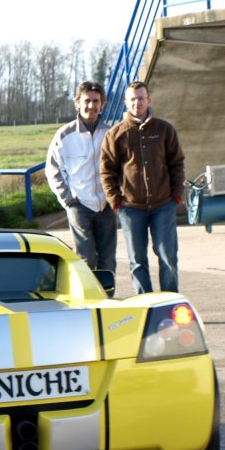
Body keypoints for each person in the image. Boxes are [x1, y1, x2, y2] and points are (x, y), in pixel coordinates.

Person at [99, 81, 185, 294]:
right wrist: (116, 201)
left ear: (149, 100)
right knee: (137, 260)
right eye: (133, 99)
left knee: (168, 256)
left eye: (141, 98)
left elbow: (176, 163)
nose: (137, 103)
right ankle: (145, 304)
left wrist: (176, 195)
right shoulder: (115, 134)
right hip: (130, 207)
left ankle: (169, 301)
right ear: (125, 103)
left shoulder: (164, 129)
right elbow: (107, 171)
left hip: (163, 205)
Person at [45, 80, 118, 294]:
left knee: (107, 258)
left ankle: (108, 301)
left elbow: (121, 167)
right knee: (86, 257)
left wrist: (116, 197)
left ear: (102, 104)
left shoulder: (111, 134)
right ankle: (88, 299)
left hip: (106, 205)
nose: (91, 106)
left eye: (96, 101)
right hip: (79, 205)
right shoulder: (65, 135)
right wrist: (67, 199)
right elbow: (53, 169)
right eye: (87, 101)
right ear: (77, 103)